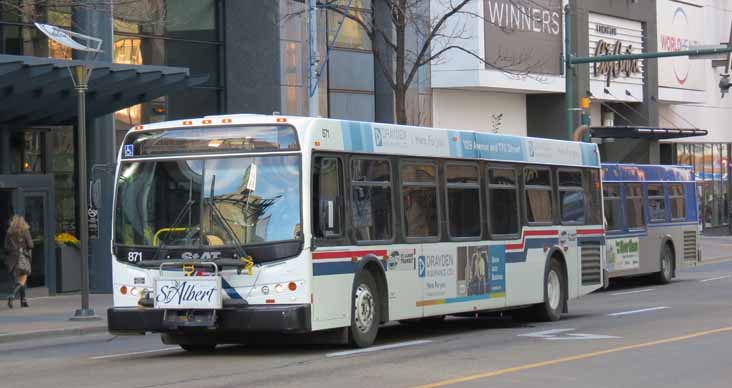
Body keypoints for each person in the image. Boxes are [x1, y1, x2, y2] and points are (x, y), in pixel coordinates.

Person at [4, 215, 33, 308]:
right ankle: (12, 294)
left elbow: (6, 247)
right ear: (23, 222)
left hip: (12, 260)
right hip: (22, 258)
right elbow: (30, 245)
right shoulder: (25, 231)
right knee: (23, 279)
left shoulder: (9, 232)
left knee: (19, 279)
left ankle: (23, 301)